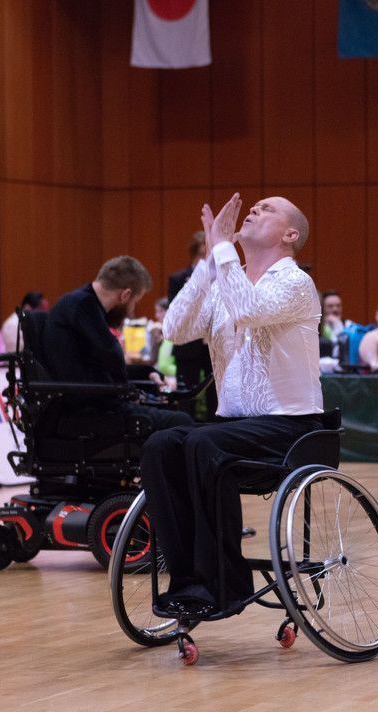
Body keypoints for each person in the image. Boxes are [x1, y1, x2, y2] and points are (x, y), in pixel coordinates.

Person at [141, 193, 324, 619]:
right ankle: (189, 581)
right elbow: (174, 328)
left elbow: (248, 309)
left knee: (204, 443)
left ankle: (224, 584)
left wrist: (223, 247)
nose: (254, 210)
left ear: (290, 235)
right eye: (254, 206)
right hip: (233, 428)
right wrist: (210, 259)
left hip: (292, 428)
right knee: (160, 445)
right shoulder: (227, 279)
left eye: (267, 208)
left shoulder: (295, 282)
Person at [42, 256, 193, 437]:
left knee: (176, 418)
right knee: (181, 421)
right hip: (87, 410)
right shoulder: (83, 306)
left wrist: (146, 373)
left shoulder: (79, 303)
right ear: (125, 295)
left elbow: (104, 368)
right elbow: (111, 356)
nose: (132, 310)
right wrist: (130, 392)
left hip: (89, 401)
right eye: (135, 302)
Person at [168, 231, 216, 419]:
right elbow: (176, 311)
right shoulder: (178, 278)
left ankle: (215, 427)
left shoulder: (220, 277)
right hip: (188, 345)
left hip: (213, 343)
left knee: (215, 393)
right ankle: (184, 425)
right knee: (186, 393)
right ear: (195, 252)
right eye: (204, 252)